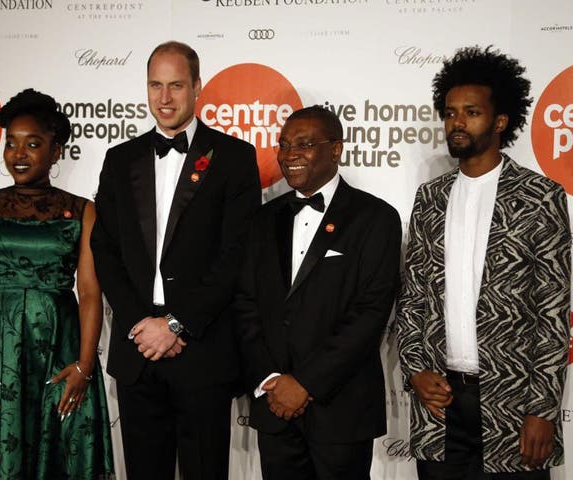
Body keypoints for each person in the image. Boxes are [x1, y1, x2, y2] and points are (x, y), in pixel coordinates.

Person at [396, 46, 571, 479]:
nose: (457, 122)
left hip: (513, 405)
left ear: (499, 121)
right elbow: (413, 297)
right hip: (439, 406)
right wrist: (415, 369)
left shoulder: (539, 197)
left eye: (471, 112)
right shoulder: (430, 198)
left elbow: (552, 313)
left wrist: (543, 409)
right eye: (451, 112)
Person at [90, 40, 261, 480]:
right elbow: (104, 248)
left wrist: (175, 323)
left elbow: (237, 255)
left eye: (176, 86)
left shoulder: (235, 158)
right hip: (137, 349)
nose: (164, 98)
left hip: (201, 351)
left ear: (197, 87)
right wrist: (139, 324)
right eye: (155, 85)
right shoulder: (118, 159)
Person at [0, 89, 114, 479]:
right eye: (11, 144)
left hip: (58, 356)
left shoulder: (83, 211)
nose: (18, 154)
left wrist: (85, 366)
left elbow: (90, 294)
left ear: (56, 152)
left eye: (32, 144)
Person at [234, 106, 401, 479]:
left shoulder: (375, 218)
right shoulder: (262, 220)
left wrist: (305, 384)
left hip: (340, 409)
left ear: (336, 149)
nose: (289, 154)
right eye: (284, 144)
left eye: (304, 144)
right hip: (274, 407)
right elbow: (245, 305)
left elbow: (371, 314)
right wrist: (270, 381)